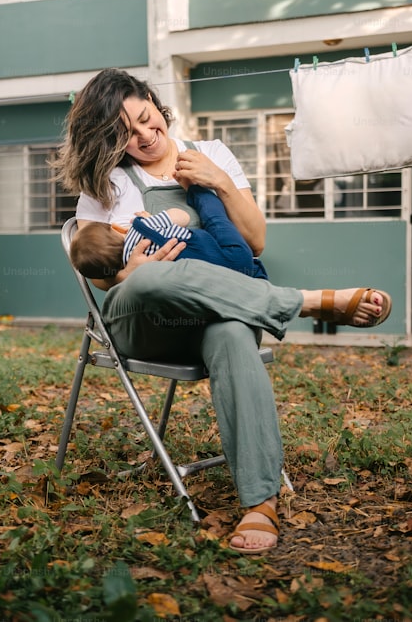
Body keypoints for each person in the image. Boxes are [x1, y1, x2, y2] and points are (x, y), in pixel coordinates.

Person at [52, 68, 391, 554]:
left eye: (148, 120)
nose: (147, 137)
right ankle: (307, 303)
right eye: (128, 134)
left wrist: (220, 184)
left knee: (233, 332)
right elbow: (95, 267)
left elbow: (253, 242)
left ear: (153, 100)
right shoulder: (106, 181)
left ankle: (260, 502)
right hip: (143, 318)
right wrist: (136, 268)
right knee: (149, 276)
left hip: (213, 308)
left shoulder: (211, 153)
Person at [70, 183, 269, 281]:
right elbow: (181, 217)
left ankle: (256, 275)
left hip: (216, 280)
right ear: (114, 228)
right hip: (229, 252)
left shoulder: (138, 271)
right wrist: (150, 219)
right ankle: (197, 190)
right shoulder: (141, 226)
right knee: (215, 218)